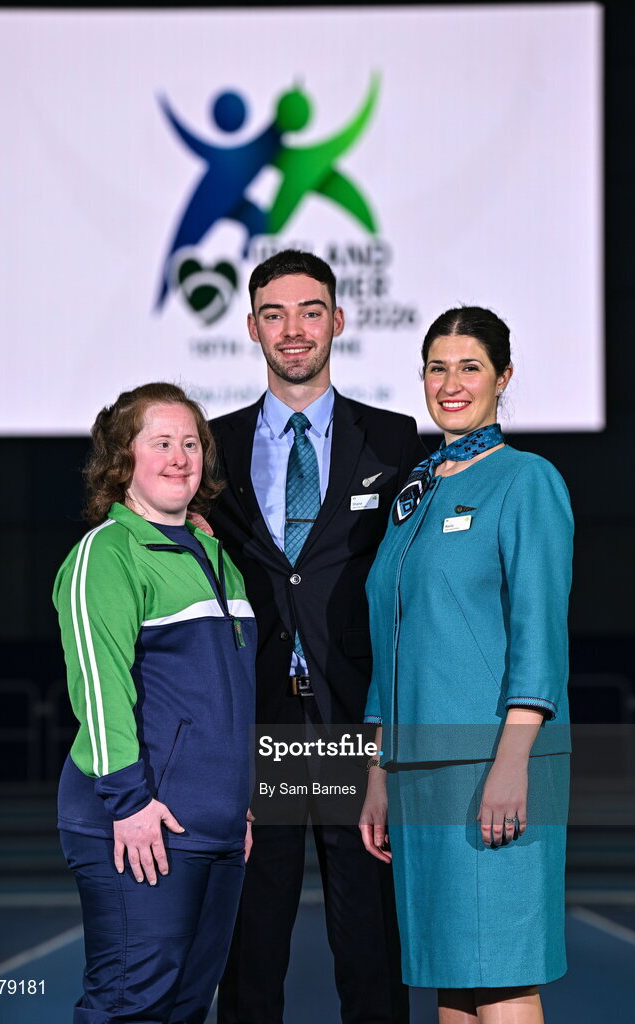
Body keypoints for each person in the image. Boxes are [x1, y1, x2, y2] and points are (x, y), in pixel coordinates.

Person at [209, 250, 424, 1024]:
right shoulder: (211, 449)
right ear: (251, 327)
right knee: (249, 956)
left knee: (369, 954)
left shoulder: (397, 441)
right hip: (255, 727)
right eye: (274, 313)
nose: (292, 330)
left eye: (308, 312)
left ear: (337, 320)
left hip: (351, 727)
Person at [360, 307, 573, 1024]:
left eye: (469, 366)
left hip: (492, 763)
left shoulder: (525, 480)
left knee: (502, 974)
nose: (450, 384)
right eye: (436, 366)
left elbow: (537, 635)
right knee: (452, 977)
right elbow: (389, 638)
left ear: (502, 377)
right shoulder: (413, 495)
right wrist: (377, 771)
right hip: (419, 773)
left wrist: (511, 762)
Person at [53, 382, 256, 1024]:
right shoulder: (106, 555)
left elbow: (225, 698)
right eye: (161, 442)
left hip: (216, 826)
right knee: (130, 1009)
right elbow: (99, 684)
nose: (179, 457)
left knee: (187, 1009)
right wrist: (131, 803)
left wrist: (239, 802)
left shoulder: (215, 555)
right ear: (124, 460)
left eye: (191, 443)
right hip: (141, 826)